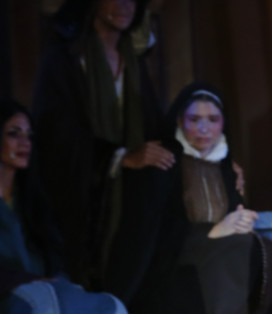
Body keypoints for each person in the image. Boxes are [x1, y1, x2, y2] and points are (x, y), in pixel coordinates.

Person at [0, 100, 132, 314]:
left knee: (108, 306)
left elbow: (54, 258)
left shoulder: (31, 199)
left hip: (45, 296)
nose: (24, 143)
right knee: (46, 300)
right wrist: (31, 282)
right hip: (8, 303)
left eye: (29, 136)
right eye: (14, 133)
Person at [32, 0, 171, 289]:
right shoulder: (64, 59)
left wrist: (214, 162)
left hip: (131, 202)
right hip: (80, 208)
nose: (125, 5)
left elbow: (157, 130)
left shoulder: (133, 61)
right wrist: (118, 157)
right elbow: (55, 136)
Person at [163, 83, 272, 314]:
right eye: (194, 119)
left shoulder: (227, 168)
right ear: (180, 121)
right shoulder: (167, 165)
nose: (203, 128)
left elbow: (232, 213)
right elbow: (161, 228)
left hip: (222, 254)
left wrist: (240, 221)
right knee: (236, 249)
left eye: (213, 120)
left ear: (223, 123)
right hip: (179, 257)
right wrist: (214, 231)